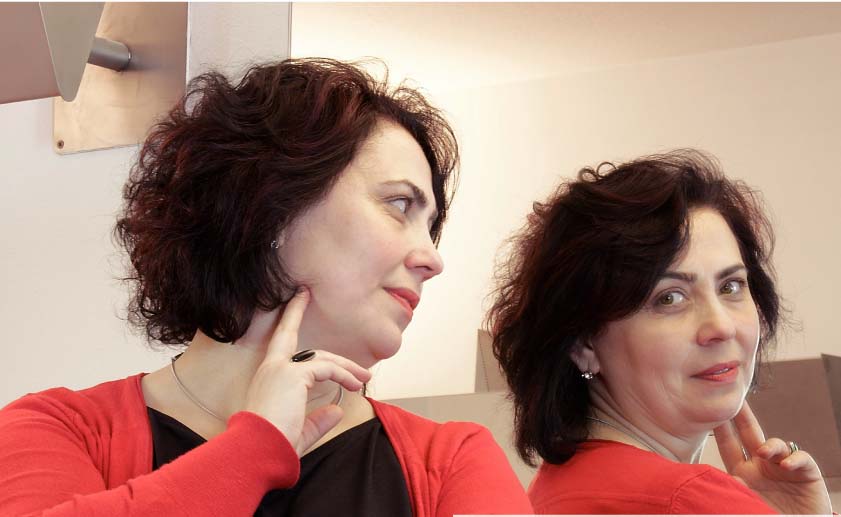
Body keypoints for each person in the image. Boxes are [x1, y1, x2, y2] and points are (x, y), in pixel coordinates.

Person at [0, 58, 532, 516]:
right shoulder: (60, 429)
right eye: (399, 205)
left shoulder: (451, 460)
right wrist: (253, 450)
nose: (432, 259)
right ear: (271, 206)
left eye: (430, 227)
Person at [487, 149, 833, 514]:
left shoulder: (554, 488)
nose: (721, 326)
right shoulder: (691, 501)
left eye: (731, 286)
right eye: (669, 298)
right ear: (582, 343)